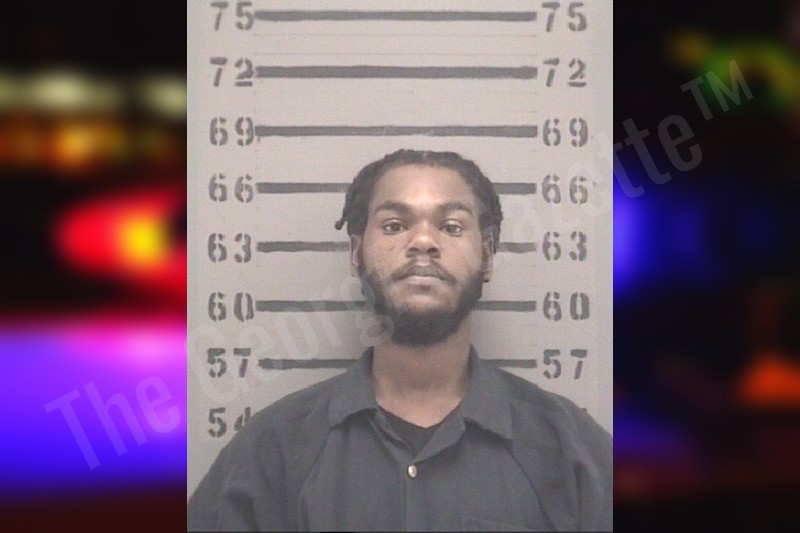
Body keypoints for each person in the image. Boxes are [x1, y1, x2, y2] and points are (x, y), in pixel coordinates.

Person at [187, 149, 612, 531]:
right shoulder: (273, 449)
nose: (423, 242)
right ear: (355, 253)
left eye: (451, 226)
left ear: (487, 257)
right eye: (394, 225)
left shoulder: (571, 452)